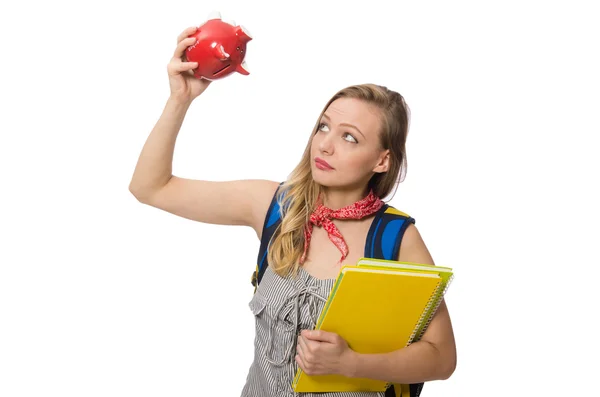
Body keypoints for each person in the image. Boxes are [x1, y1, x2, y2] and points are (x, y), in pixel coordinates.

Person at [129, 26, 457, 397]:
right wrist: (180, 99)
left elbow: (442, 357)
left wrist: (352, 364)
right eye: (323, 127)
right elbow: (149, 188)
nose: (326, 145)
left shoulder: (395, 239)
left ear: (382, 161)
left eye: (349, 137)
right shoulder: (273, 206)